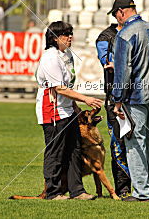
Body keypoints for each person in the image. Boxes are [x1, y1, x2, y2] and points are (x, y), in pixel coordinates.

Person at [109, 0, 149, 202]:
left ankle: (143, 193)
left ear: (120, 12)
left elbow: (123, 71)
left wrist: (117, 100)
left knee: (135, 144)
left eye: (115, 15)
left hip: (135, 97)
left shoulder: (124, 35)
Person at [35, 21, 103, 200]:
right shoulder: (50, 57)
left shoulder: (66, 55)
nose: (70, 36)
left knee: (75, 150)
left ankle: (77, 191)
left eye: (70, 33)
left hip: (68, 110)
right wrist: (86, 99)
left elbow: (68, 85)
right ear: (55, 38)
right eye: (66, 34)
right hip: (53, 111)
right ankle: (52, 192)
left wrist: (75, 107)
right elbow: (60, 88)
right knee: (55, 152)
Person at [95, 21, 131, 198]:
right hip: (114, 98)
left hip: (136, 99)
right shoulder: (105, 37)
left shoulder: (136, 32)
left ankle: (143, 187)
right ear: (119, 14)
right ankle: (123, 188)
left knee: (139, 143)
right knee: (119, 144)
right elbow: (106, 61)